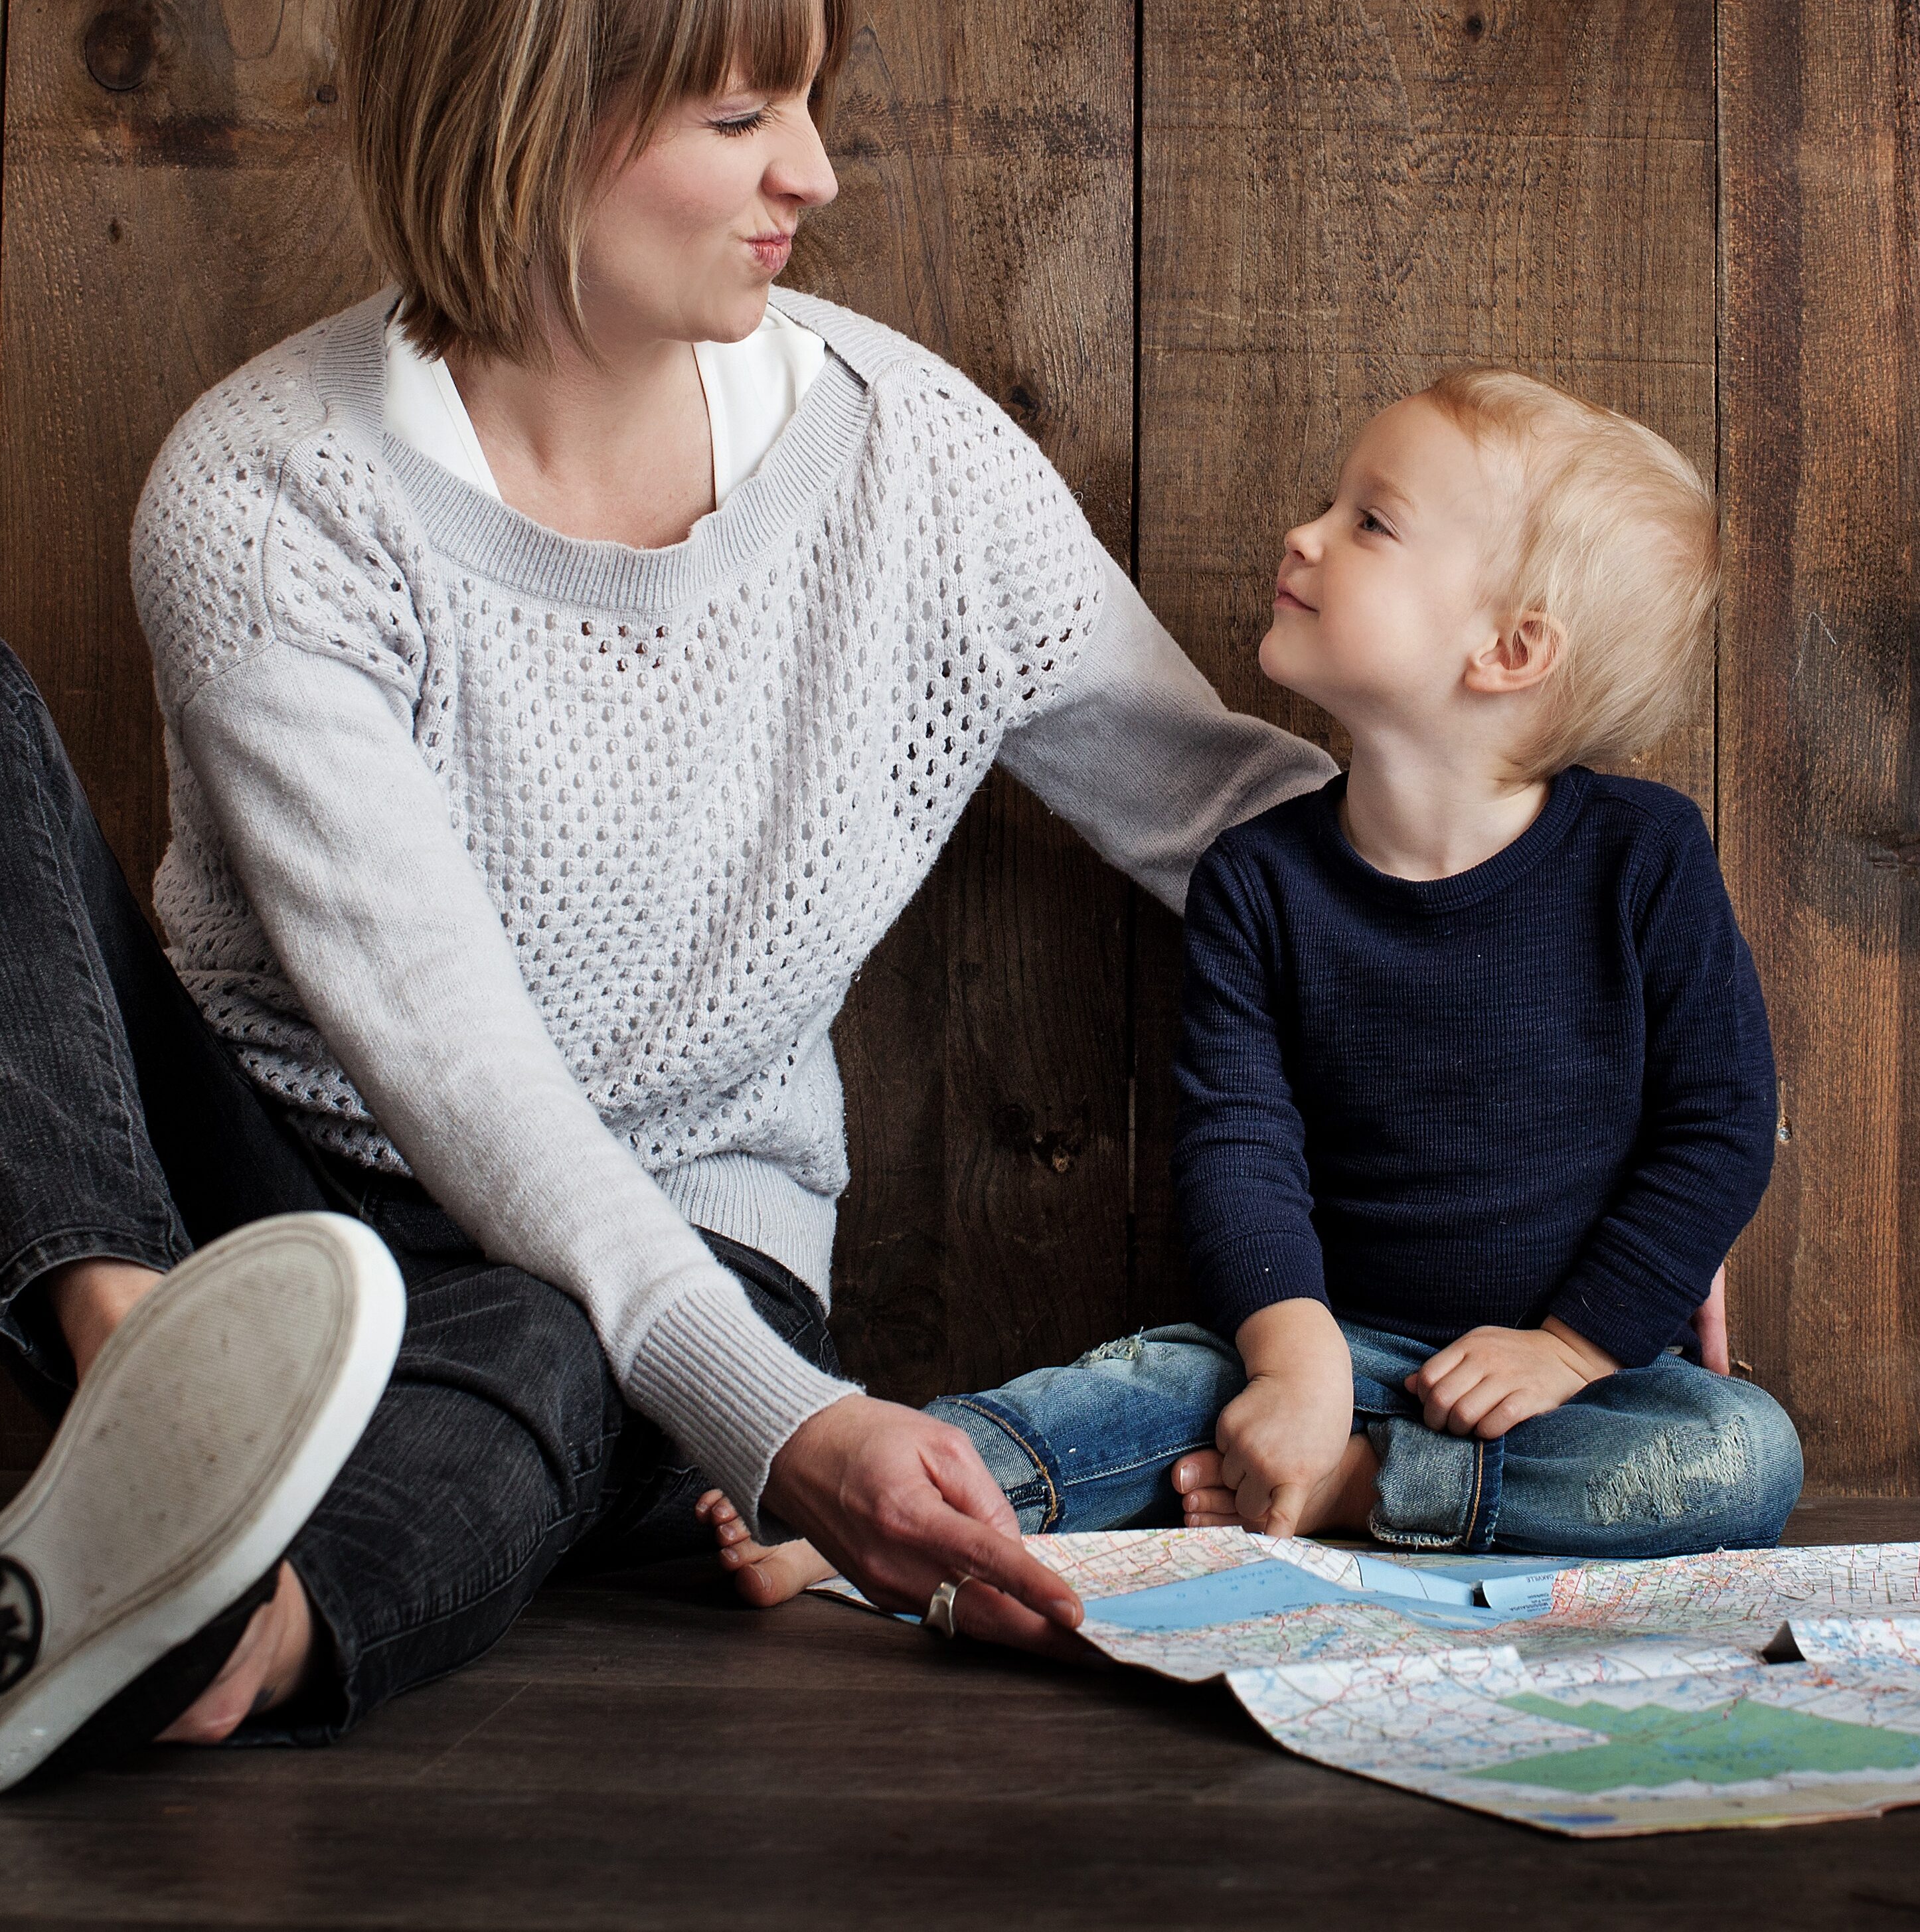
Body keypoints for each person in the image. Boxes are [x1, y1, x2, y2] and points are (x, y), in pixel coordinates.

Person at [0, 0, 1332, 1804]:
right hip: (257, 1204)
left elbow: (1236, 824)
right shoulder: (269, 491)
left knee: (541, 1335)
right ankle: (150, 1388)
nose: (817, 174)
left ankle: (232, 1623)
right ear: (536, 108)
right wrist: (788, 1432)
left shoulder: (911, 464)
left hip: (671, 1242)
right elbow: (445, 1047)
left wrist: (1595, 1055)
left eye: (807, 103)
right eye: (741, 114)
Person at [717, 367, 1797, 1593]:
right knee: (1135, 1391)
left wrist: (1570, 1345)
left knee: (1740, 1456)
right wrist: (1294, 1364)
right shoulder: (1260, 880)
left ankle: (1365, 1488)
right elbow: (1238, 1143)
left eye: (1369, 523)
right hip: (1320, 1335)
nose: (1306, 534)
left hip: (1569, 1383)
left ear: (1509, 649)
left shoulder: (1642, 858)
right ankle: (879, 1505)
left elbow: (1716, 1127)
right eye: (1332, 505)